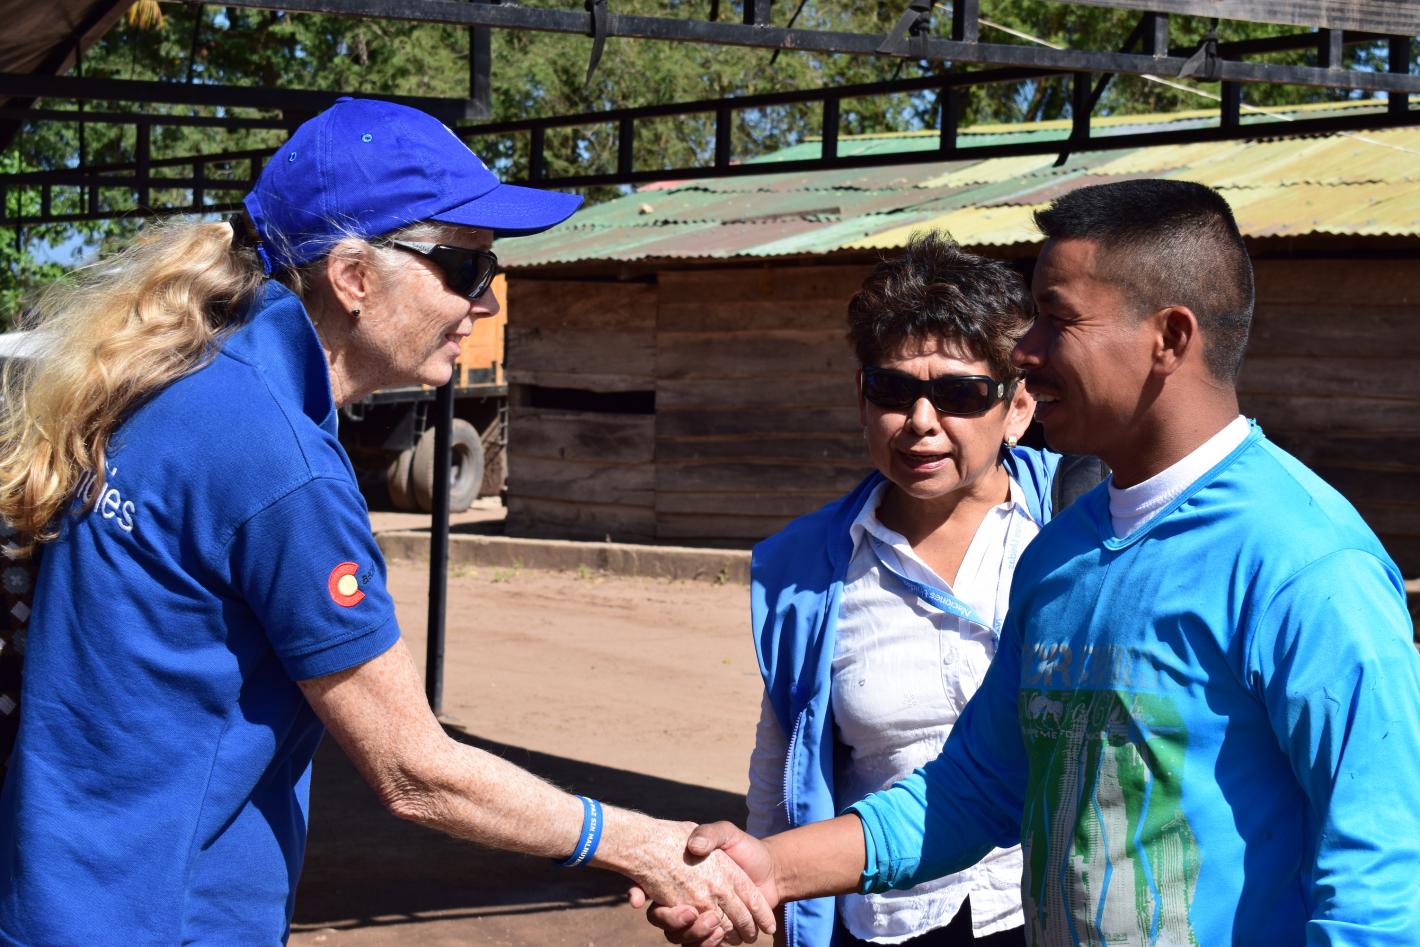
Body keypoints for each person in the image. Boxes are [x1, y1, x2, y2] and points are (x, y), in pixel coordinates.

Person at [0, 98, 773, 945]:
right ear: (353, 277)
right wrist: (643, 844)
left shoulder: (184, 380)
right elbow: (414, 771)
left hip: (63, 899)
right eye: (465, 266)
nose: (487, 300)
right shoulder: (277, 460)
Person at [640, 179, 1420, 946]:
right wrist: (771, 868)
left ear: (1170, 338)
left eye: (1057, 319)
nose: (1026, 351)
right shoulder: (1061, 554)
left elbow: (1381, 877)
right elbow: (975, 787)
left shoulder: (1306, 565)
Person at [746, 234, 1054, 947]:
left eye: (959, 394)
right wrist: (761, 883)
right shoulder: (803, 568)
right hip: (890, 917)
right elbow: (784, 755)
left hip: (1051, 910)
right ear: (862, 398)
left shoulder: (1078, 530)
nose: (920, 421)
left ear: (1017, 407)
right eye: (893, 389)